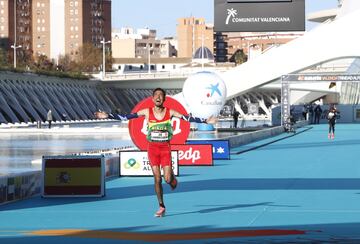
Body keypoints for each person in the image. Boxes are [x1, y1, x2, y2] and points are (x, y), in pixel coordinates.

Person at [95, 88, 216, 217]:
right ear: (153, 99)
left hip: (165, 149)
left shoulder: (170, 112)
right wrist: (108, 115)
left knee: (167, 179)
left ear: (164, 99)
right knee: (157, 178)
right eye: (156, 95)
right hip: (152, 148)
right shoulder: (147, 112)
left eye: (161, 95)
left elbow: (187, 118)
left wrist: (204, 121)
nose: (158, 97)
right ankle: (161, 206)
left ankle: (172, 180)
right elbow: (126, 117)